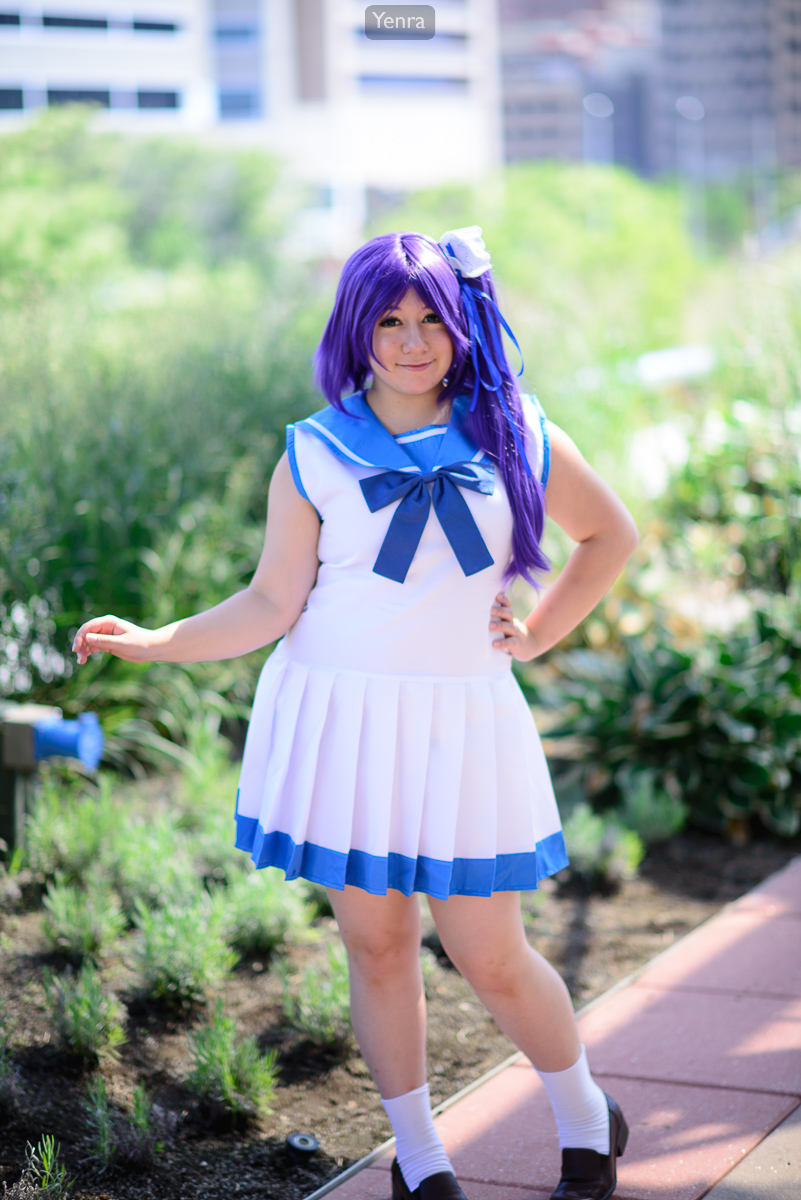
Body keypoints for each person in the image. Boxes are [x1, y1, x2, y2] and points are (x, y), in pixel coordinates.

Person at [73, 227, 639, 1200]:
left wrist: (539, 633)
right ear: (357, 328)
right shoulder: (314, 450)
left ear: (463, 326)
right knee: (375, 947)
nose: (412, 341)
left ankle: (587, 1118)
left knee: (490, 955)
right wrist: (159, 637)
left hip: (461, 724)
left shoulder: (519, 433)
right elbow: (268, 603)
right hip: (343, 722)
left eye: (431, 319)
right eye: (389, 319)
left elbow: (609, 535)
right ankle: (420, 1162)